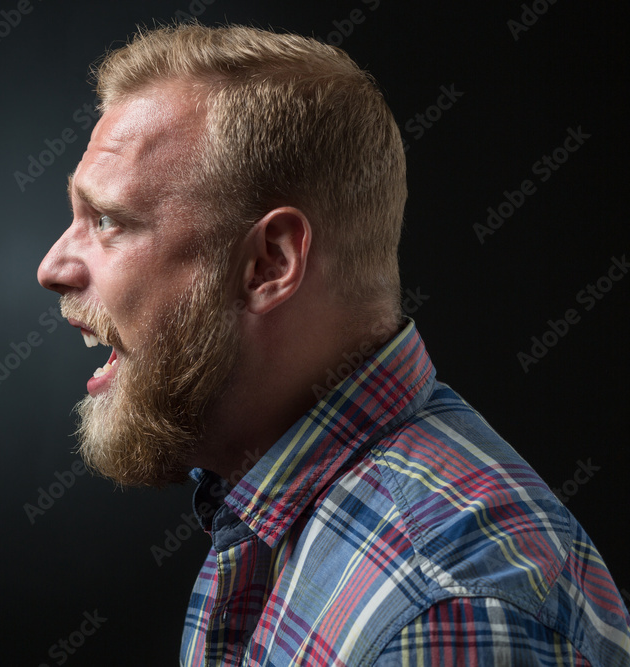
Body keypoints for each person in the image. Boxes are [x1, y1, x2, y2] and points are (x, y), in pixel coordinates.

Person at [36, 22, 630, 666]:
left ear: (269, 264)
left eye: (107, 221)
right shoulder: (265, 495)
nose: (52, 266)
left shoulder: (442, 612)